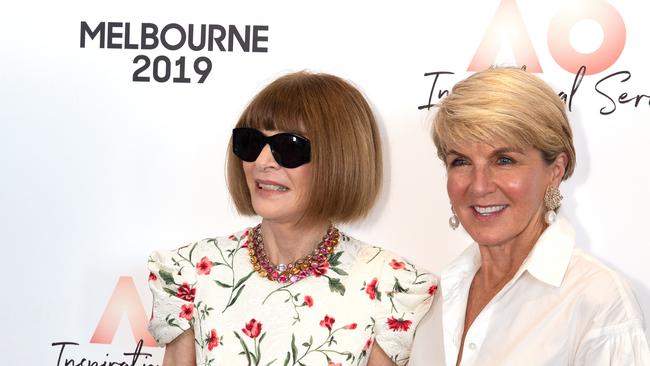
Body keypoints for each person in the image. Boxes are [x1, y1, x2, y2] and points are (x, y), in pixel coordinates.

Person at [147, 71, 437, 366]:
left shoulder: (389, 286)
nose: (261, 162)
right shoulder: (191, 272)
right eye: (250, 142)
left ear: (339, 158)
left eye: (289, 147)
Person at [430, 67, 650, 365]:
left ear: (555, 171)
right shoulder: (435, 296)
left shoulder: (598, 300)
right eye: (461, 162)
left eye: (504, 160)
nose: (479, 186)